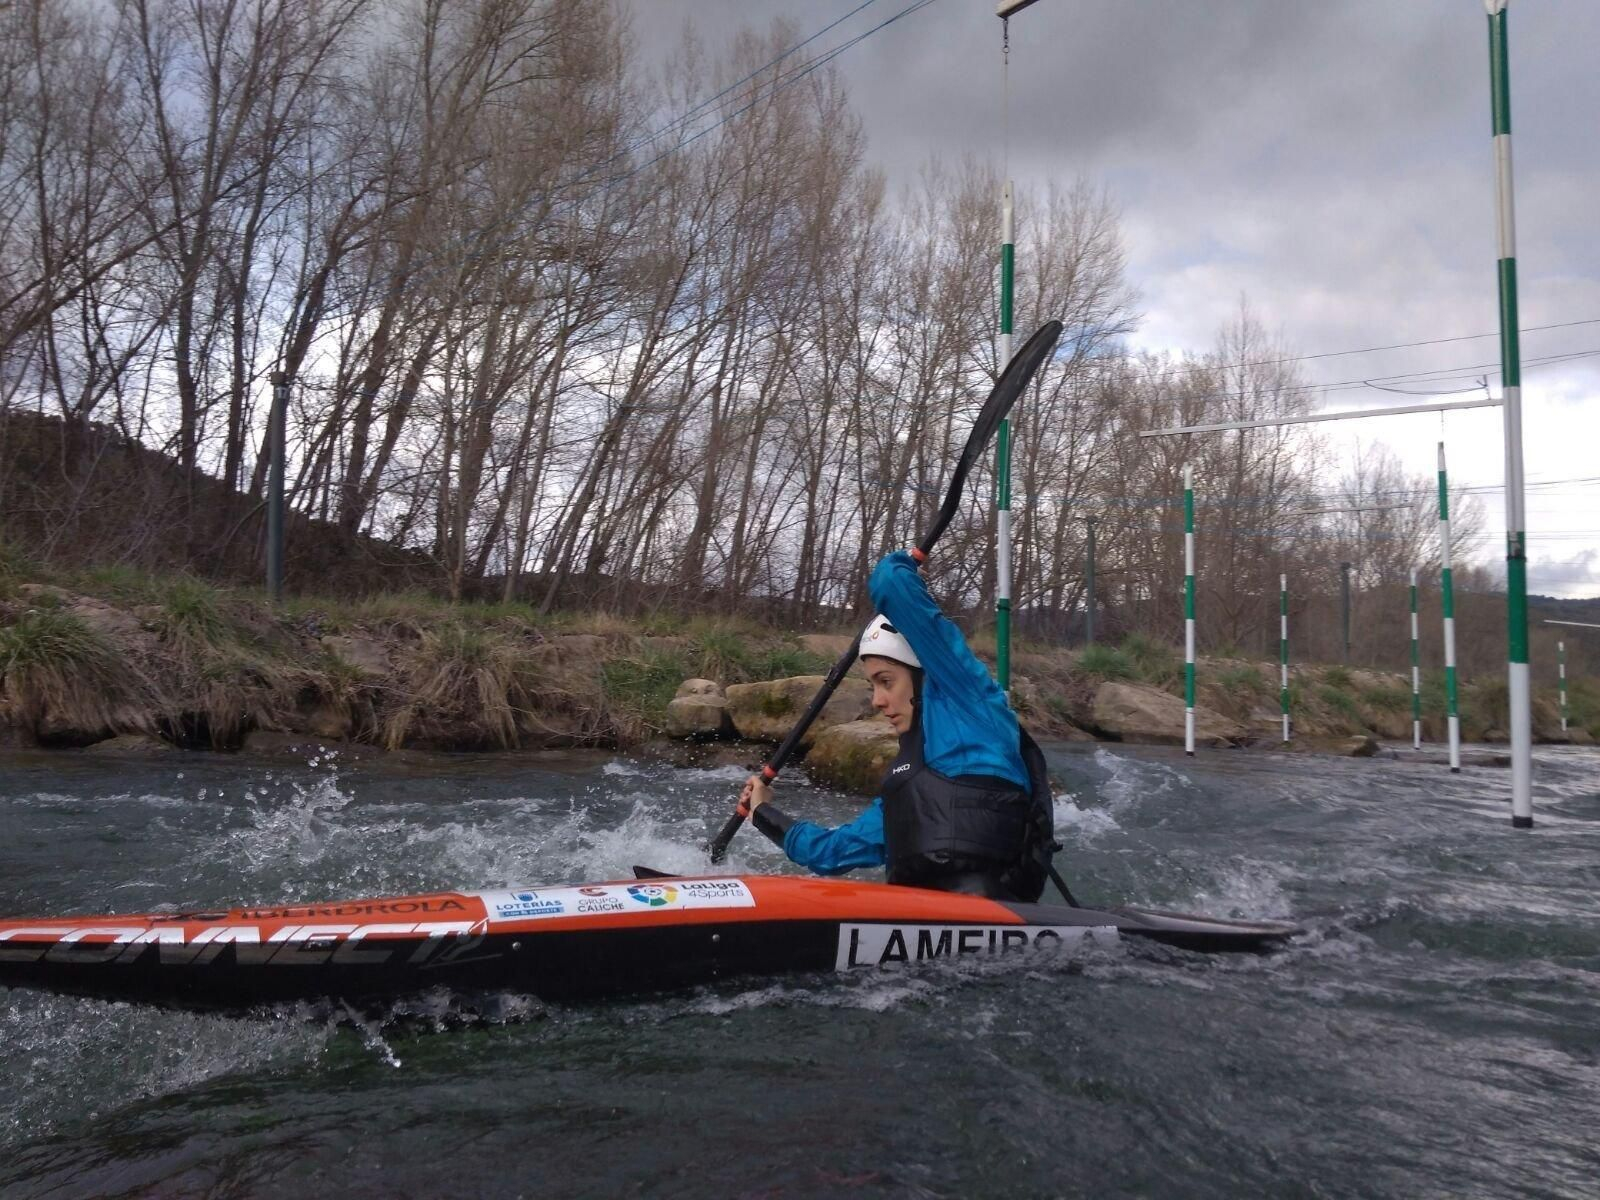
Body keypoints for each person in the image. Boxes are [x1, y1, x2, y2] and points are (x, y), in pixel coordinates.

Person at [738, 550, 1059, 903]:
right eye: (873, 685)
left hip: (996, 920)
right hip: (922, 933)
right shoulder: (907, 785)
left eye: (886, 681)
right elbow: (829, 854)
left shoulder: (970, 702)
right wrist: (762, 812)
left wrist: (908, 559)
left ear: (924, 675)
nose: (877, 700)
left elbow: (890, 583)